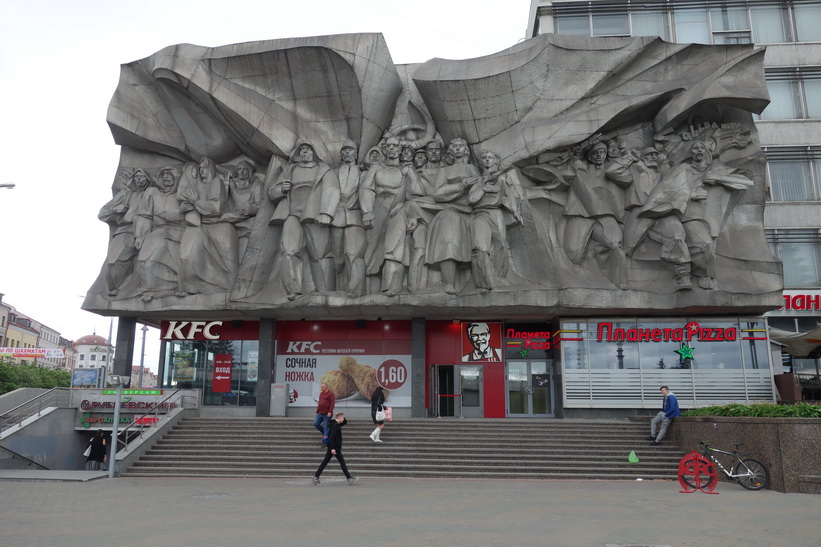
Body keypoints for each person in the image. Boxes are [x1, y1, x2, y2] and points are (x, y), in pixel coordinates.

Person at [312, 412, 358, 485]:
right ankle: (349, 478)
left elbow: (345, 422)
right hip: (335, 448)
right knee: (342, 463)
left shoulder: (336, 424)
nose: (343, 419)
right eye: (342, 417)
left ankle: (316, 477)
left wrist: (341, 416)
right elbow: (332, 438)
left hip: (333, 447)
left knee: (325, 462)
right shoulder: (335, 426)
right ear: (339, 417)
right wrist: (333, 448)